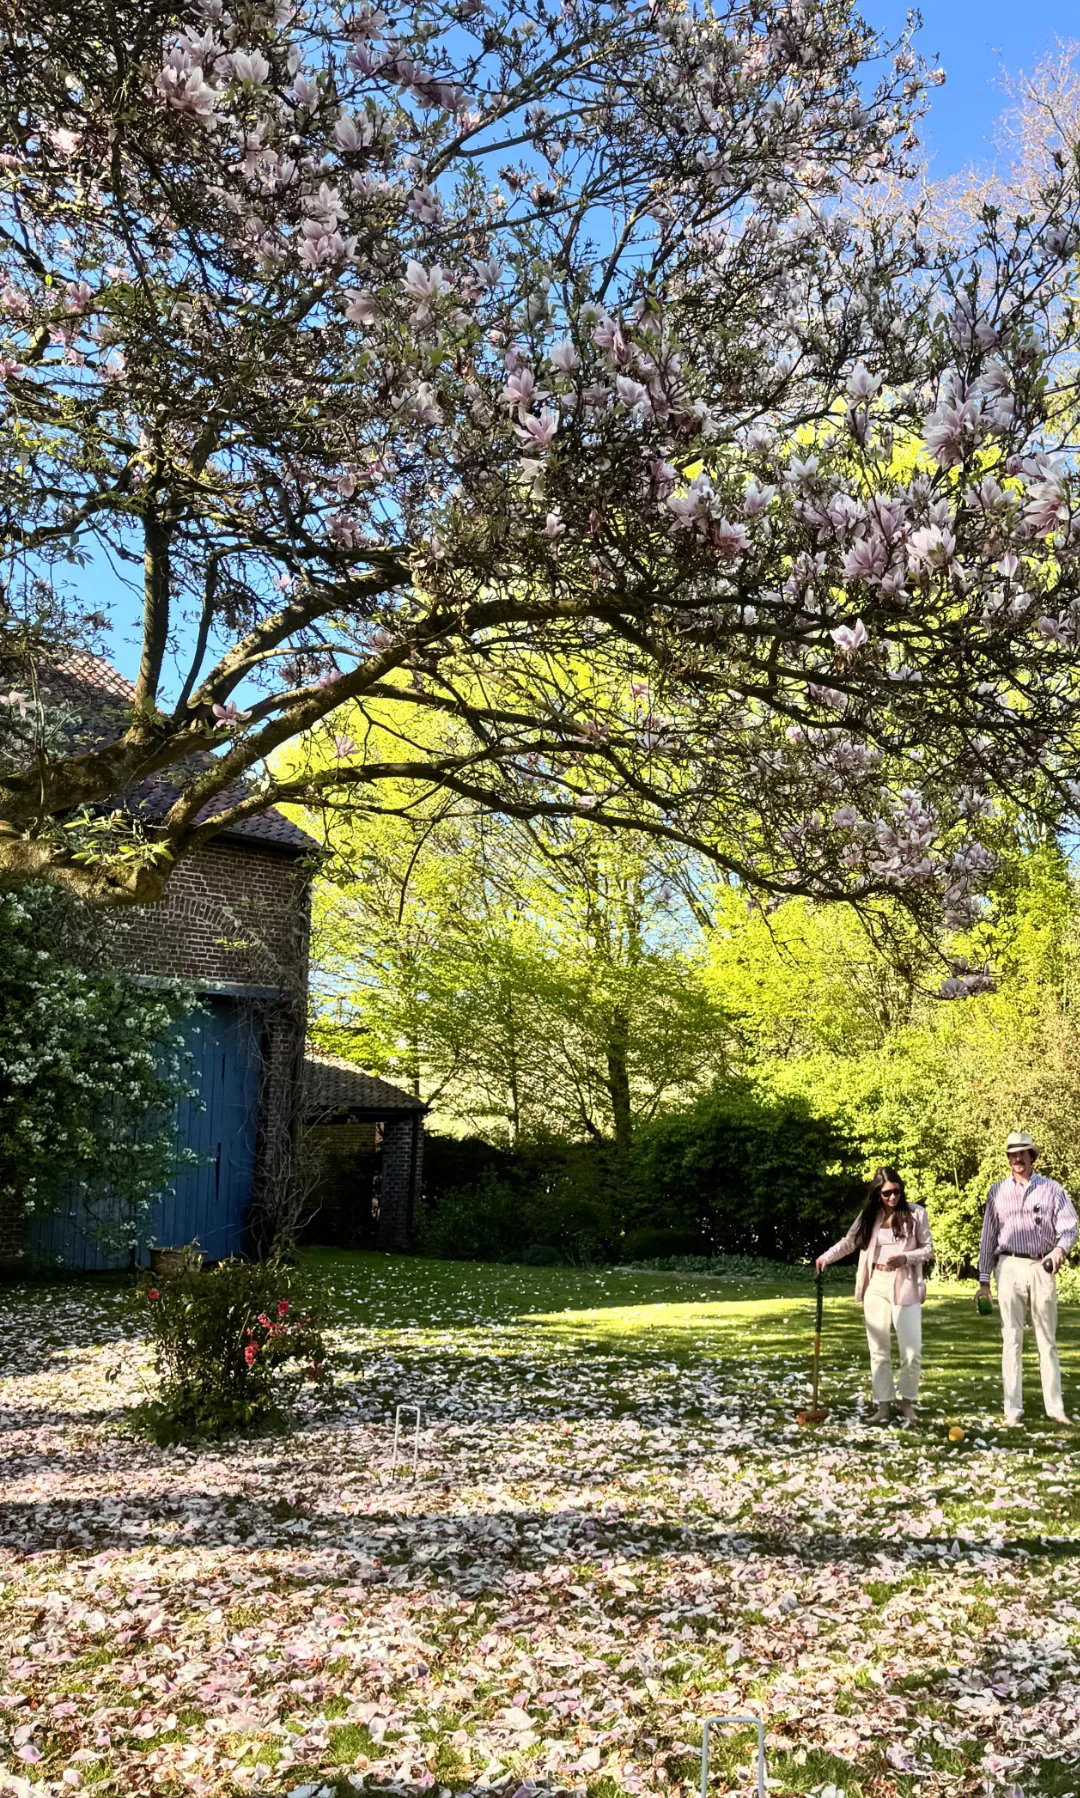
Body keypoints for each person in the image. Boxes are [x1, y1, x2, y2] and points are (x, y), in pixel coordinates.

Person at [974, 1131, 1077, 1427]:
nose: (1016, 1159)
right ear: (1007, 1158)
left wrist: (1059, 1250)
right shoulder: (996, 1191)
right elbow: (988, 1238)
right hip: (1008, 1266)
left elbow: (1070, 1227)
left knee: (1047, 1339)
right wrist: (983, 1281)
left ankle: (1055, 1409)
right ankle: (1012, 1408)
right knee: (1011, 1340)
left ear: (1032, 1156)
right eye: (1011, 1154)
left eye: (1022, 1154)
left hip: (1041, 1266)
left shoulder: (1052, 1190)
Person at [816, 1168, 934, 1424]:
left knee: (911, 1351)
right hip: (876, 1283)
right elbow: (849, 1242)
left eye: (897, 1191)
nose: (893, 1197)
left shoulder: (916, 1214)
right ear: (877, 1194)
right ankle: (882, 1406)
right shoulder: (869, 1215)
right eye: (887, 1193)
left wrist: (905, 1257)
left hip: (905, 1283)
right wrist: (826, 1257)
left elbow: (928, 1250)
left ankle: (907, 1403)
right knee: (879, 1350)